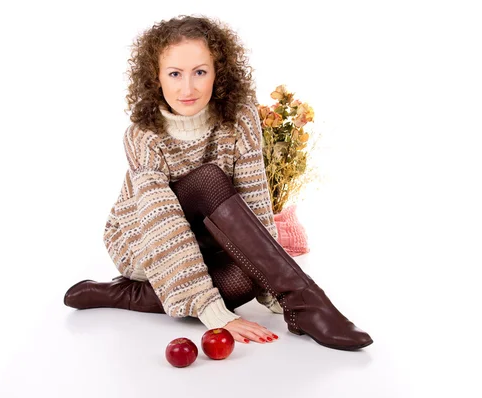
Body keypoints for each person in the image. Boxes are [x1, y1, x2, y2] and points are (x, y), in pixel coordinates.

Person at [63, 15, 373, 351]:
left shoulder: (240, 118)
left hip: (208, 241)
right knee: (210, 179)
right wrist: (215, 314)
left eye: (200, 72)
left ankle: (131, 294)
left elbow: (255, 202)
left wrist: (269, 286)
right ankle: (308, 304)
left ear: (217, 73)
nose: (187, 88)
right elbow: (161, 222)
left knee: (243, 281)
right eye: (174, 74)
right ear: (156, 78)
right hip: (144, 239)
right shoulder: (143, 136)